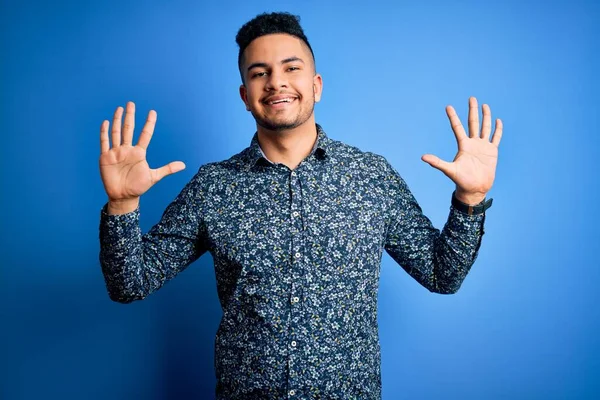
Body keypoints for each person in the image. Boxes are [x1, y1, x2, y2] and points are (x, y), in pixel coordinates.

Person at [98, 11, 503, 400]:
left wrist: (469, 199)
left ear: (316, 85)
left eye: (291, 68)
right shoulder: (213, 186)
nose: (276, 82)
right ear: (245, 95)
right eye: (260, 73)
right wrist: (122, 204)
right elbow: (130, 283)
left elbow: (442, 274)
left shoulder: (371, 176)